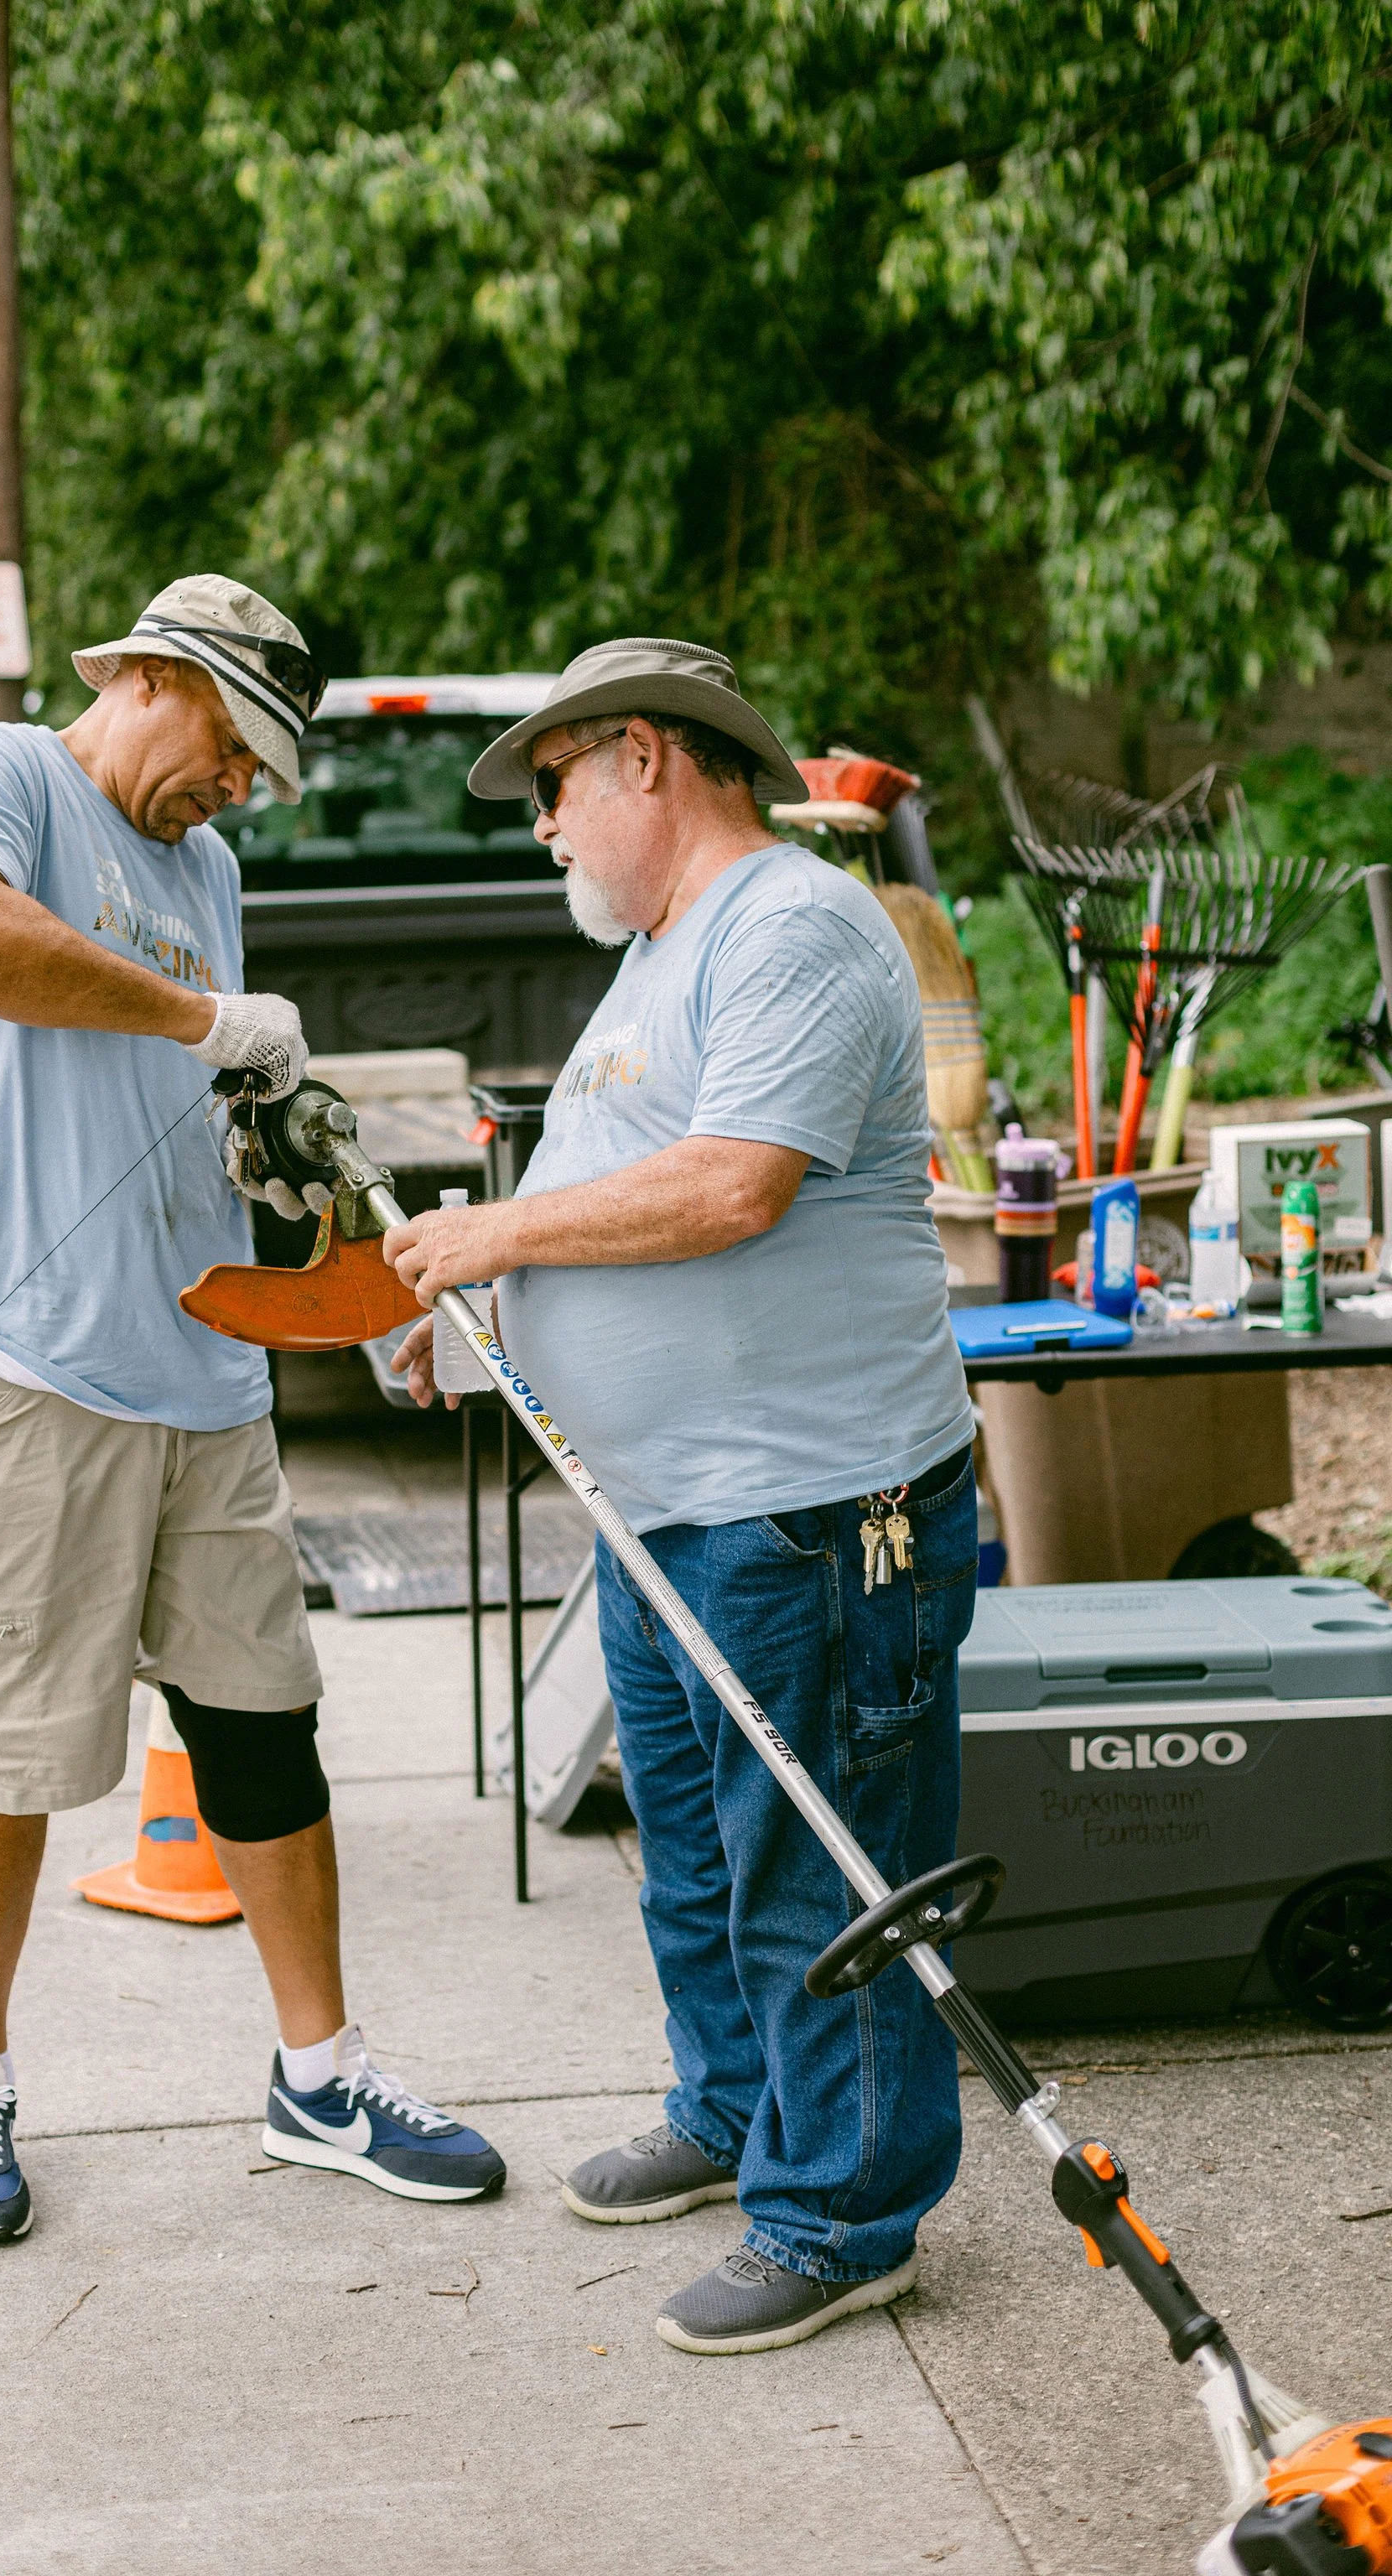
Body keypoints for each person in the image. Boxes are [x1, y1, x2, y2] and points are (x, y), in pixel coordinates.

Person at [0, 574, 503, 2246]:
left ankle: (321, 2075)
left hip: (201, 1356)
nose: (243, 791)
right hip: (15, 1356)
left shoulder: (206, 868)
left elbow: (188, 1103)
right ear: (150, 676)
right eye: (236, 748)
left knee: (258, 1717)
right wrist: (199, 1014)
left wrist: (337, 1254)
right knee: (8, 1751)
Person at [388, 638, 975, 2355]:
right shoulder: (663, 953)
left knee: (819, 1867)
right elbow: (614, 1181)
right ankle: (736, 2117)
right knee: (694, 1855)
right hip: (671, 1510)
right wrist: (497, 1311)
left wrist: (491, 1238)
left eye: (556, 789)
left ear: (646, 759)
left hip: (806, 1511)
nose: (547, 830)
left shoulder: (790, 925)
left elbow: (729, 1186)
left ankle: (843, 2212)